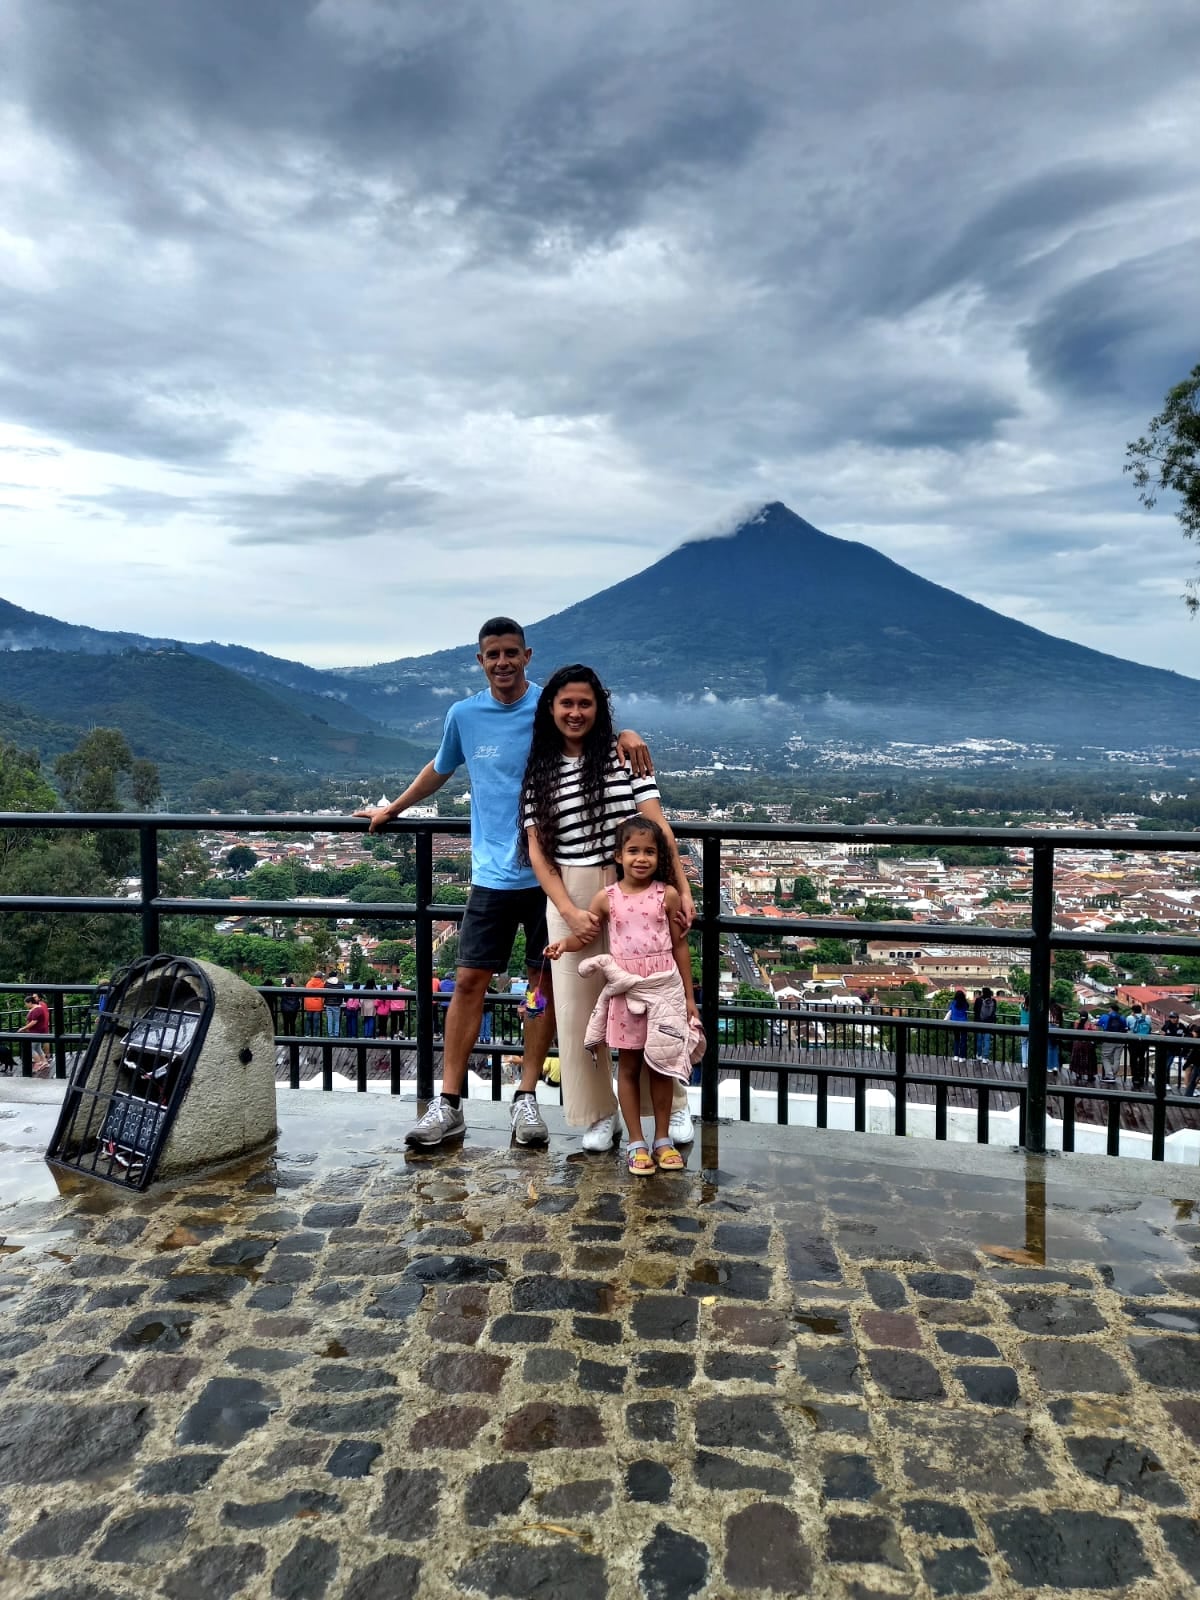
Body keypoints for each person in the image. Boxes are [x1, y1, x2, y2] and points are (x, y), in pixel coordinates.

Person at [354, 617, 651, 1149]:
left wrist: (628, 734)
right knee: (469, 981)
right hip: (492, 874)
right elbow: (440, 768)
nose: (503, 663)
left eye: (511, 653)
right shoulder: (464, 715)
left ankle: (527, 1095)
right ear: (480, 660)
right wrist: (394, 807)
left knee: (542, 988)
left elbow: (593, 727)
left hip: (551, 875)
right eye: (493, 654)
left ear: (527, 655)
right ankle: (447, 1102)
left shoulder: (547, 706)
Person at [520, 664, 695, 1153]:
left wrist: (681, 887)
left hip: (636, 887)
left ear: (599, 709)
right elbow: (538, 849)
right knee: (578, 1013)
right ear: (550, 710)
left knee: (655, 998)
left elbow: (657, 827)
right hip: (571, 888)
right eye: (566, 704)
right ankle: (597, 1114)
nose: (575, 713)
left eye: (585, 704)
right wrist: (567, 909)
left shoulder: (624, 757)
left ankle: (670, 1107)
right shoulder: (539, 770)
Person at [545, 816, 698, 1174]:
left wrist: (689, 999)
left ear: (659, 858)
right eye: (633, 851)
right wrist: (563, 946)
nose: (641, 859)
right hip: (627, 993)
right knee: (628, 1065)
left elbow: (680, 947)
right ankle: (635, 1141)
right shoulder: (607, 898)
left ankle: (662, 1138)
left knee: (661, 1067)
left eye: (649, 852)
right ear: (618, 856)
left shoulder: (667, 895)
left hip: (663, 992)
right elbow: (585, 934)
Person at [19, 991, 50, 1075]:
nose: (25, 1005)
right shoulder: (37, 1008)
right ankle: (44, 1062)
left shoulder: (37, 1009)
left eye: (26, 1004)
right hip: (38, 1031)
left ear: (30, 1002)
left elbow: (34, 1021)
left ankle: (38, 1063)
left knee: (31, 1048)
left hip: (36, 1032)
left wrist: (24, 1028)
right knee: (37, 1048)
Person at [1096, 1000, 1127, 1084]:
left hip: (1108, 1039)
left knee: (1105, 1057)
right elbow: (1125, 1028)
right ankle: (1113, 1075)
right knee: (1116, 1059)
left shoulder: (1104, 1017)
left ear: (1110, 1009)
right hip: (1120, 1040)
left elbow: (1098, 1025)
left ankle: (1109, 1075)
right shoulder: (1122, 1018)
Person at [1127, 1002, 1151, 1089]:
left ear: (1133, 1011)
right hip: (1144, 1041)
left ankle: (1135, 1078)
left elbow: (1128, 1027)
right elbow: (1149, 1027)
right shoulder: (1147, 1017)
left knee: (1133, 1059)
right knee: (1142, 1058)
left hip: (1133, 1041)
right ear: (1141, 1010)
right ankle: (1142, 1076)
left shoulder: (1130, 1017)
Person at [1070, 1011, 1098, 1083]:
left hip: (1078, 1043)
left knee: (1078, 1059)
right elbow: (1095, 1031)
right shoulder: (1090, 1024)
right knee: (1089, 1059)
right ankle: (1090, 1075)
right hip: (1088, 1044)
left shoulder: (1076, 1022)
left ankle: (1078, 1074)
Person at [1160, 1010, 1186, 1085]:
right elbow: (1162, 1033)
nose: (1173, 1019)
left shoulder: (1181, 1025)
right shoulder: (1167, 1025)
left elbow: (1187, 1033)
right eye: (1172, 1017)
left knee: (1168, 1066)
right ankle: (1164, 1082)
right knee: (1166, 1066)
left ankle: (1164, 1081)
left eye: (1175, 1017)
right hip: (1167, 1048)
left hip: (1176, 1049)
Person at [973, 987, 996, 1063]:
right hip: (989, 1023)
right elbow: (994, 1012)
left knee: (979, 1039)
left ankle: (979, 1055)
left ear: (982, 992)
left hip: (979, 1022)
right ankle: (985, 1058)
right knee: (987, 1040)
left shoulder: (978, 1000)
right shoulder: (993, 1001)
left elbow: (975, 1010)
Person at [945, 990, 969, 1063]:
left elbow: (950, 1010)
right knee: (963, 1040)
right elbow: (967, 1008)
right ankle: (962, 1057)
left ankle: (956, 1056)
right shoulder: (965, 1003)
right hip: (963, 1023)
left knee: (957, 1039)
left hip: (954, 1023)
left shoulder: (953, 1003)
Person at [303, 972, 325, 1036]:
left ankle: (307, 1034)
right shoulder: (322, 984)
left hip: (308, 1004)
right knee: (316, 1021)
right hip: (317, 1005)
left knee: (308, 1020)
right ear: (320, 977)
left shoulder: (309, 983)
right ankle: (315, 1036)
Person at [1047, 998, 1065, 1076]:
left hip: (1050, 1027)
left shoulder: (1048, 1009)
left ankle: (1049, 1067)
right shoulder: (1059, 1009)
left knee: (1049, 1047)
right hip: (1058, 1028)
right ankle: (1055, 1066)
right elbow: (1062, 1019)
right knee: (1055, 1047)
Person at [324, 973, 344, 1039]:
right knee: (336, 1020)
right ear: (336, 976)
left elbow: (324, 994)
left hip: (328, 1004)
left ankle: (330, 1034)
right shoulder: (340, 983)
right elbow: (343, 992)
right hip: (337, 1004)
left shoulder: (326, 983)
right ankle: (336, 1034)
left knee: (330, 1020)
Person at [1182, 1024, 1200, 1097]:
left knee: (1193, 1080)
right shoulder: (1195, 1041)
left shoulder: (1196, 1042)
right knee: (1193, 1080)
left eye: (1194, 1032)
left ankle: (1187, 1097)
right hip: (1197, 1064)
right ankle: (1188, 1096)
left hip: (1197, 1063)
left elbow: (1192, 1056)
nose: (1193, 1033)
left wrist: (1186, 1065)